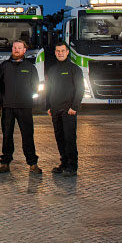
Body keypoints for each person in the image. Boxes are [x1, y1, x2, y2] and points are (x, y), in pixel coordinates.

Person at [0, 39, 42, 174]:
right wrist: (6, 97)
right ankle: (5, 163)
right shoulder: (4, 66)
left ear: (24, 50)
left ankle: (33, 163)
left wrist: (26, 96)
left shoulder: (30, 67)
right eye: (15, 47)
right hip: (8, 107)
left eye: (19, 48)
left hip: (25, 106)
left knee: (28, 135)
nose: (16, 50)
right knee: (7, 136)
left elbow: (35, 85)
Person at [47, 42, 84, 177]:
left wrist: (74, 107)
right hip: (55, 109)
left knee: (69, 138)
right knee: (59, 138)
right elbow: (48, 89)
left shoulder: (75, 69)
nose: (60, 53)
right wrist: (48, 106)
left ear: (67, 52)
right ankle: (63, 163)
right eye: (58, 51)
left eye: (63, 51)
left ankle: (72, 166)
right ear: (55, 52)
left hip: (68, 110)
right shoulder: (51, 70)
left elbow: (80, 89)